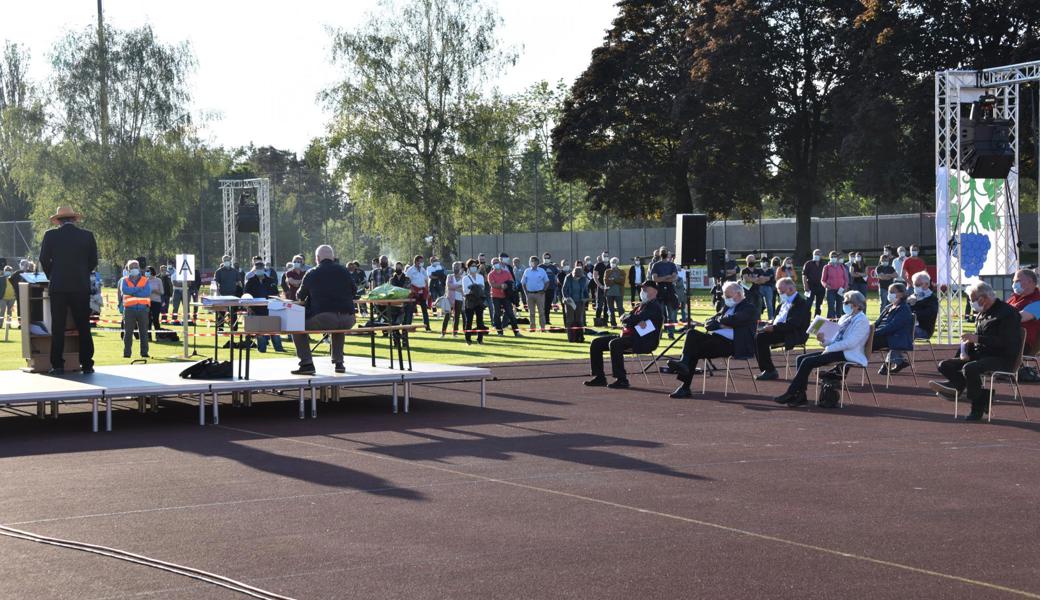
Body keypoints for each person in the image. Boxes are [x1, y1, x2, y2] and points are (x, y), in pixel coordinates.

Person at [931, 282, 1022, 421]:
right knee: (945, 365)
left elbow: (1006, 342)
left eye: (972, 300)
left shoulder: (1008, 314)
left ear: (983, 298)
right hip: (981, 355)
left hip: (1003, 358)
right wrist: (965, 350)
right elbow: (977, 338)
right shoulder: (983, 312)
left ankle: (977, 406)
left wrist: (978, 338)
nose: (971, 303)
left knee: (970, 368)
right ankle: (963, 387)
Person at [773, 290, 871, 408]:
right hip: (837, 350)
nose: (844, 304)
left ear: (855, 305)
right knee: (801, 358)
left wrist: (829, 348)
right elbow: (835, 339)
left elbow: (851, 343)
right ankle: (801, 395)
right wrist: (823, 340)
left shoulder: (862, 321)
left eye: (846, 302)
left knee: (807, 361)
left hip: (849, 353)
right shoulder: (845, 317)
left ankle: (791, 392)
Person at [665, 281, 757, 398]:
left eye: (728, 296)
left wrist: (720, 321)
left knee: (693, 350)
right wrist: (723, 323)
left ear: (738, 294)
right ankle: (684, 365)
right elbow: (708, 323)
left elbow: (734, 319)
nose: (725, 298)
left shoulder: (749, 308)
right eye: (725, 296)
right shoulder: (726, 308)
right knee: (692, 333)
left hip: (732, 344)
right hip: (715, 339)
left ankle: (685, 384)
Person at [38, 206, 98, 375]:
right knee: (83, 326)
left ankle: (57, 364)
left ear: (59, 220)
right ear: (73, 219)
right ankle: (87, 364)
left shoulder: (51, 235)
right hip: (80, 286)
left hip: (58, 286)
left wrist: (53, 275)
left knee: (58, 326)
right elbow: (93, 260)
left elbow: (43, 259)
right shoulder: (87, 235)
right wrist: (81, 273)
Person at [290, 245, 357, 375]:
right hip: (348, 318)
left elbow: (300, 295)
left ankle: (306, 363)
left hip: (325, 317)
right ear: (332, 257)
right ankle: (339, 363)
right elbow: (354, 291)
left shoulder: (312, 273)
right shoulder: (344, 271)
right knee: (338, 326)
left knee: (295, 326)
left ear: (317, 258)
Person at [584, 281, 664, 389]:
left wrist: (631, 319)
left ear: (654, 291)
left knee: (615, 344)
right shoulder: (641, 306)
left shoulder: (654, 306)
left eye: (645, 289)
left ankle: (621, 379)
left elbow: (631, 319)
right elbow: (625, 318)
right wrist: (632, 320)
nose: (642, 292)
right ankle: (599, 377)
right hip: (630, 336)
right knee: (596, 343)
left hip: (644, 341)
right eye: (641, 289)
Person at [754, 277, 811, 381]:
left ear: (791, 289)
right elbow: (777, 319)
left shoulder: (801, 304)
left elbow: (793, 324)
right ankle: (767, 369)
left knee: (760, 338)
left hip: (793, 333)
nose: (780, 293)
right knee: (755, 333)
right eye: (779, 291)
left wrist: (773, 328)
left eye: (781, 291)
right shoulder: (783, 303)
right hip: (779, 329)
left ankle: (769, 370)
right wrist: (768, 324)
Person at [244, 259, 285, 353]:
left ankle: (279, 348)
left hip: (270, 309)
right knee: (260, 331)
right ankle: (262, 349)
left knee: (274, 330)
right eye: (257, 268)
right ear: (254, 269)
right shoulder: (250, 282)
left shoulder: (270, 281)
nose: (259, 269)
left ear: (264, 269)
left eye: (261, 268)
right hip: (256, 310)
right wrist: (249, 307)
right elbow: (246, 296)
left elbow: (276, 294)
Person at [873, 283, 914, 374]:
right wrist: (869, 329)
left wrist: (874, 333)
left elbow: (892, 326)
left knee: (864, 342)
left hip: (893, 337)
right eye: (889, 292)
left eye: (892, 292)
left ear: (902, 294)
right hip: (882, 335)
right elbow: (877, 323)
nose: (889, 294)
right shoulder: (888, 307)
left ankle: (851, 362)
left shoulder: (904, 309)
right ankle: (899, 361)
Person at [119, 259, 151, 359]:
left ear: (139, 268)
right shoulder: (124, 280)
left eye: (135, 267)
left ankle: (144, 353)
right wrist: (138, 289)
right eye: (131, 267)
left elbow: (146, 293)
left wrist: (132, 291)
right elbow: (125, 290)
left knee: (144, 333)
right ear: (128, 269)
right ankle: (127, 353)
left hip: (143, 310)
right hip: (129, 310)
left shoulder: (145, 280)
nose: (134, 269)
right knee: (128, 333)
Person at [1005, 268, 1040, 355]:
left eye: (1017, 281)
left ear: (1030, 281)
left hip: (1020, 344)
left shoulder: (1037, 302)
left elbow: (1018, 318)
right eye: (1013, 282)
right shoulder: (1013, 299)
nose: (1014, 284)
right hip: (1003, 340)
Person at [651, 249, 679, 339]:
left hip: (670, 291)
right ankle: (659, 334)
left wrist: (662, 278)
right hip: (660, 291)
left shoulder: (672, 265)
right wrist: (667, 276)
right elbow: (655, 279)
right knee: (660, 315)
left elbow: (674, 278)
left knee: (671, 315)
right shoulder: (656, 265)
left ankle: (671, 334)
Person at [488, 258, 520, 336]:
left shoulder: (506, 273)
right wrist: (502, 286)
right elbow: (492, 285)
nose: (496, 264)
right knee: (497, 314)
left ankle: (516, 332)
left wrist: (506, 286)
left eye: (497, 262)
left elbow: (511, 281)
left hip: (506, 296)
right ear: (492, 265)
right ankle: (499, 332)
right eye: (494, 263)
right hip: (495, 296)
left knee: (510, 313)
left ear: (500, 263)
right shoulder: (491, 274)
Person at [906, 271, 938, 341]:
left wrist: (912, 306)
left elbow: (928, 314)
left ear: (927, 284)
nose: (915, 287)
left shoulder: (932, 298)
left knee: (905, 330)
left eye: (918, 285)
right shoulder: (912, 296)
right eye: (914, 284)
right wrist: (907, 303)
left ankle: (899, 351)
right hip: (910, 326)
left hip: (924, 330)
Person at [562, 264, 590, 343]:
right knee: (570, 320)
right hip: (570, 302)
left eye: (578, 277)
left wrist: (586, 298)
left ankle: (580, 338)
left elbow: (585, 290)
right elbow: (564, 290)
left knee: (579, 320)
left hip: (580, 302)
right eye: (575, 276)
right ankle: (571, 338)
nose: (577, 278)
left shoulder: (583, 279)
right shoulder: (568, 277)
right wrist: (567, 298)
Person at [521, 256, 549, 331]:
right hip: (529, 294)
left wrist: (543, 291)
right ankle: (532, 328)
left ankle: (543, 327)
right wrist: (526, 293)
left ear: (537, 262)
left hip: (539, 294)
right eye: (531, 261)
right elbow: (523, 283)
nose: (532, 262)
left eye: (533, 261)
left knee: (541, 312)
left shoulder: (542, 271)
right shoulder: (527, 271)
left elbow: (547, 282)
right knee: (531, 313)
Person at [462, 259, 487, 344]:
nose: (474, 267)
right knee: (469, 320)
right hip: (470, 300)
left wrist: (476, 288)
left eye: (475, 266)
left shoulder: (480, 277)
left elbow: (482, 287)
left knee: (480, 320)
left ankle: (480, 339)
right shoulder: (465, 278)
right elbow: (465, 290)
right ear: (468, 267)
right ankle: (468, 339)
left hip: (479, 300)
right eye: (472, 266)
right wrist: (473, 288)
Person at [405, 255, 431, 330]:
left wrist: (427, 291)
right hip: (414, 292)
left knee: (424, 310)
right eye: (421, 261)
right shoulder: (410, 270)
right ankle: (408, 326)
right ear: (416, 261)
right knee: (411, 310)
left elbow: (426, 280)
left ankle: (427, 326)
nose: (422, 263)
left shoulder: (423, 270)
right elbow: (407, 282)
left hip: (422, 292)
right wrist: (412, 289)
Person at [821, 251, 849, 319]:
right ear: (829, 258)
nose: (833, 258)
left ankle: (839, 321)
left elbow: (846, 279)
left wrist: (845, 287)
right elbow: (822, 280)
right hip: (830, 290)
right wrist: (826, 285)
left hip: (840, 290)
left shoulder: (842, 266)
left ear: (837, 258)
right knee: (831, 306)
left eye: (835, 256)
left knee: (839, 306)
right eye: (832, 257)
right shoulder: (826, 267)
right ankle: (831, 320)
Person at [442, 261, 465, 337]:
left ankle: (455, 333)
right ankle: (443, 333)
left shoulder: (463, 278)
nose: (456, 268)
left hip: (459, 299)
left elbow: (463, 289)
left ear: (461, 268)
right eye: (454, 266)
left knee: (457, 316)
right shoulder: (450, 276)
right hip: (450, 299)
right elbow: (449, 286)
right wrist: (458, 286)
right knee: (447, 316)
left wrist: (454, 287)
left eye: (457, 266)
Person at [802, 250, 825, 317]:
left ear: (821, 256)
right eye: (815, 254)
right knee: (808, 304)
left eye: (818, 254)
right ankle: (805, 319)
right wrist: (805, 286)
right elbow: (804, 275)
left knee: (819, 305)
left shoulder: (824, 264)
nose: (816, 255)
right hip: (810, 286)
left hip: (821, 287)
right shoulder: (808, 263)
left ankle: (816, 320)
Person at [604, 258, 625, 327]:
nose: (612, 263)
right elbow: (606, 282)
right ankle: (613, 324)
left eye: (614, 262)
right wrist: (617, 280)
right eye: (612, 262)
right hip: (609, 293)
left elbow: (622, 282)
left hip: (619, 293)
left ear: (617, 263)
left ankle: (623, 322)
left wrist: (612, 279)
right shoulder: (607, 271)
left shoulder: (622, 271)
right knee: (610, 309)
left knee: (620, 308)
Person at [541, 253, 559, 325]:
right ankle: (543, 320)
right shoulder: (540, 267)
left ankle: (547, 320)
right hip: (542, 289)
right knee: (543, 305)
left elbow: (557, 275)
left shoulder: (553, 267)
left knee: (548, 305)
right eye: (545, 258)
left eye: (548, 258)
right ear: (543, 258)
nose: (546, 259)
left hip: (551, 288)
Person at [147, 266, 165, 339]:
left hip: (156, 302)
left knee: (155, 319)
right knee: (148, 320)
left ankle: (158, 335)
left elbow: (162, 292)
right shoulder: (145, 280)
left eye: (147, 271)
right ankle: (149, 336)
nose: (146, 273)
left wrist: (155, 291)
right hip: (147, 302)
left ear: (151, 272)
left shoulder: (158, 280)